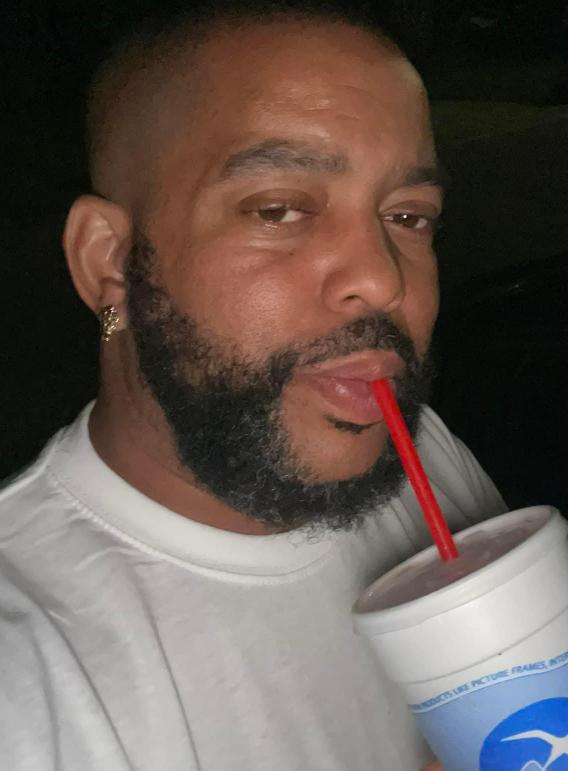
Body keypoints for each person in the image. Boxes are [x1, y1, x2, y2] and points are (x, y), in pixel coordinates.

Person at [0, 3, 506, 769]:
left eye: (408, 216)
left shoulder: (422, 452)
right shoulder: (31, 681)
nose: (382, 280)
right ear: (109, 261)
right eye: (279, 210)